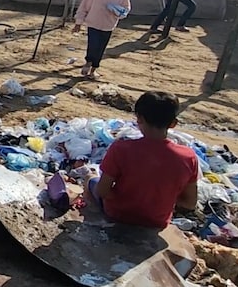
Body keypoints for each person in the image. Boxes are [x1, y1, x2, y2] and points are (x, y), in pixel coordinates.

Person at [83, 91, 198, 228]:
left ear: (139, 119)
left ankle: (92, 223)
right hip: (157, 221)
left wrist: (126, 198)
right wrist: (162, 198)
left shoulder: (121, 148)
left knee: (90, 178)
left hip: (118, 214)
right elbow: (190, 203)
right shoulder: (188, 157)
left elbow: (102, 191)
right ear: (173, 123)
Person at [73, 0, 131, 78]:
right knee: (93, 45)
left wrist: (117, 11)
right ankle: (88, 62)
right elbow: (84, 7)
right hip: (93, 24)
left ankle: (94, 69)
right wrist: (78, 22)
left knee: (101, 48)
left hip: (108, 26)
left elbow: (126, 9)